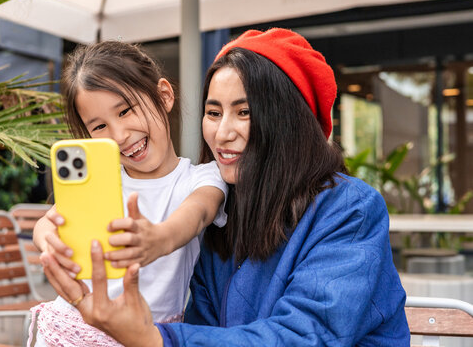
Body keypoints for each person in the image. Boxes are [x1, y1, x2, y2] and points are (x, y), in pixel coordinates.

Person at [41, 28, 410, 346]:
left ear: (287, 118)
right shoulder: (227, 217)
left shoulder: (350, 208)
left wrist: (153, 338)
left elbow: (307, 336)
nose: (222, 132)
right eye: (214, 112)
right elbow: (204, 326)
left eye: (244, 112)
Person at [30, 41, 228, 346]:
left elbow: (199, 211)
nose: (120, 135)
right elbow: (48, 221)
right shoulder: (100, 180)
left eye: (125, 110)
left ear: (164, 95)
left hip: (145, 336)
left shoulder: (202, 177)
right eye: (99, 126)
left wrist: (159, 239)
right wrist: (48, 240)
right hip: (70, 328)